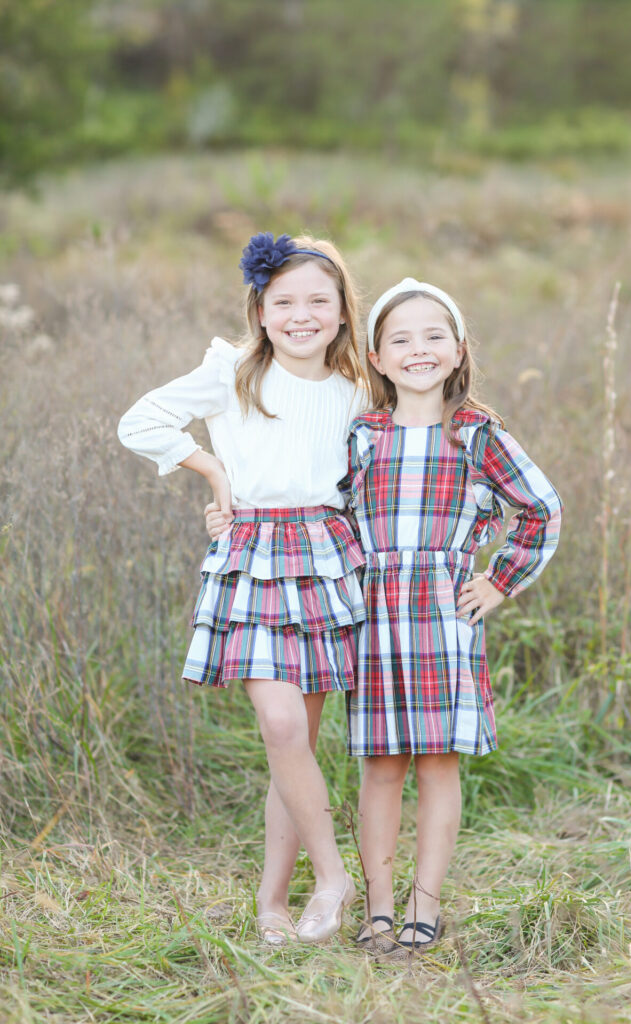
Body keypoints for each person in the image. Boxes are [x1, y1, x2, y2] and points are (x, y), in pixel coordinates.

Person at [118, 233, 367, 945]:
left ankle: (272, 903)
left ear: (343, 312)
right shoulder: (231, 372)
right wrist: (213, 474)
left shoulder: (356, 388)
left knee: (298, 746)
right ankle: (334, 877)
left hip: (324, 556)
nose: (301, 314)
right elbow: (140, 421)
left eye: (318, 300)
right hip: (252, 552)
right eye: (283, 301)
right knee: (281, 728)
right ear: (260, 310)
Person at [347, 278, 562, 957]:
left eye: (433, 335)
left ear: (459, 349)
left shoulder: (475, 433)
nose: (418, 349)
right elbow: (320, 513)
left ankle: (423, 907)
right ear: (376, 358)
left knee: (438, 763)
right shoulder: (361, 433)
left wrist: (498, 582)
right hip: (373, 617)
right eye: (400, 339)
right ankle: (377, 907)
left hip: (443, 618)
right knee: (381, 766)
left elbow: (541, 509)